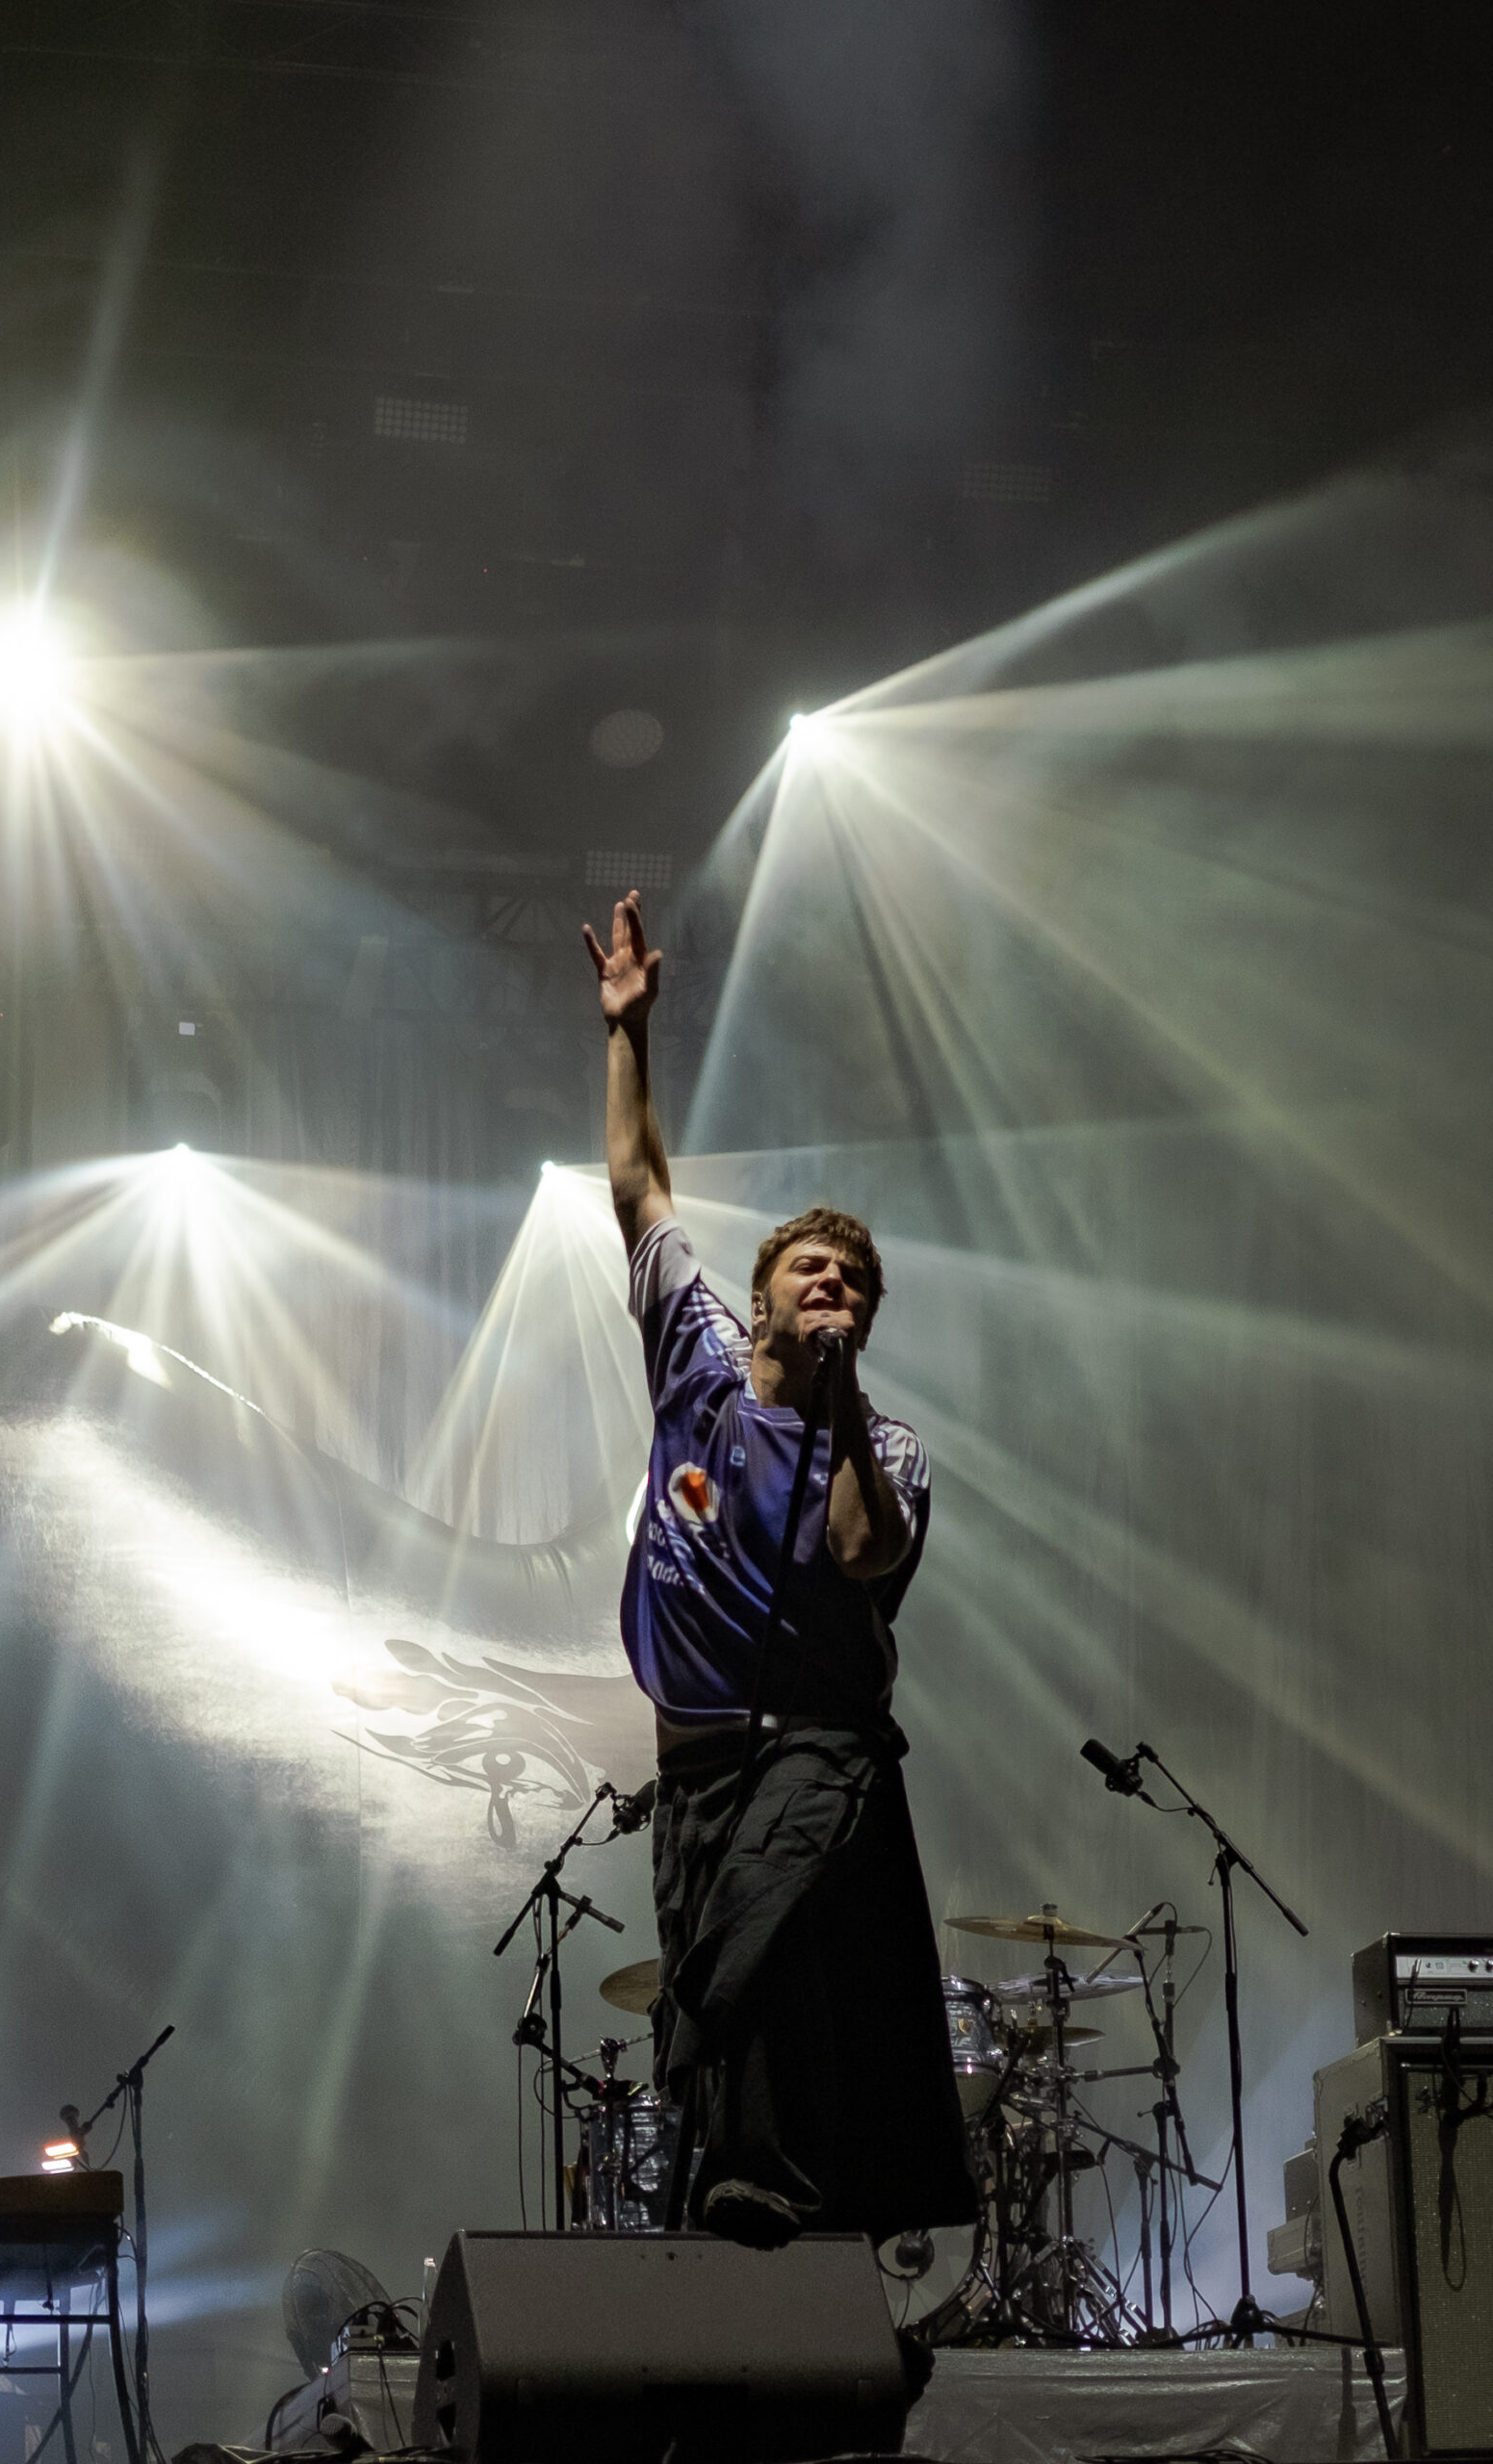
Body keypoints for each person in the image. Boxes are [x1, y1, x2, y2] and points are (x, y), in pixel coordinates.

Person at [582, 888, 976, 2249]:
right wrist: (630, 1031)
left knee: (750, 1952)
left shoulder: (888, 1447)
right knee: (709, 2007)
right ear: (763, 1294)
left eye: (855, 1287)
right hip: (696, 1763)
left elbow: (863, 1551)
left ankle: (762, 2200)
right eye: (815, 1271)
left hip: (819, 1747)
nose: (835, 1290)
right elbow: (638, 1187)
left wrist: (842, 1396)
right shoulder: (695, 1361)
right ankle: (759, 2241)